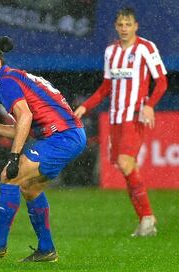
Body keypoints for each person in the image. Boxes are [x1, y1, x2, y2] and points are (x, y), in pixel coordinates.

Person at [0, 37, 86, 262]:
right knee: (30, 188)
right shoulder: (14, 77)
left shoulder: (6, 83)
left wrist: (14, 157)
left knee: (8, 177)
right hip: (68, 136)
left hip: (61, 137)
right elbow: (25, 126)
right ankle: (46, 249)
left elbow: (25, 117)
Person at [74, 7, 167, 237]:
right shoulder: (110, 52)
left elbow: (162, 82)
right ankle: (146, 221)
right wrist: (85, 106)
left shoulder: (146, 48)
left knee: (126, 163)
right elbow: (106, 87)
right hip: (115, 117)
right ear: (116, 27)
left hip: (134, 116)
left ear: (136, 26)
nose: (124, 28)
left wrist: (149, 105)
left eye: (128, 24)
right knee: (127, 168)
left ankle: (146, 217)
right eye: (121, 25)